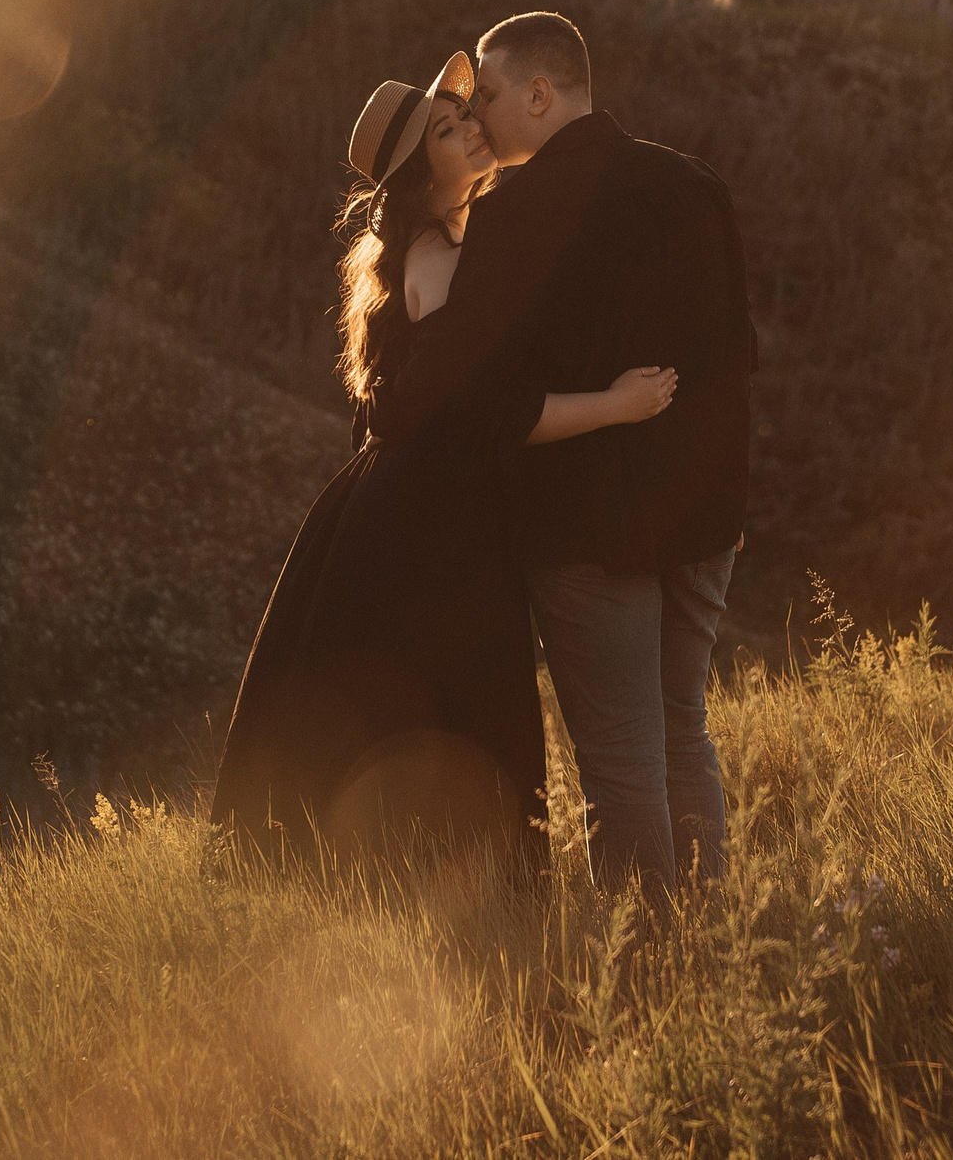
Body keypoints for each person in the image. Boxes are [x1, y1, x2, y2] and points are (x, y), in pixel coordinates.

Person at [209, 50, 679, 864]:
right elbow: (490, 416)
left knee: (432, 707)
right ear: (416, 169)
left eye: (465, 115)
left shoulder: (441, 245)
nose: (469, 129)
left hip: (410, 506)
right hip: (427, 521)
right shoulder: (445, 259)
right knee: (448, 705)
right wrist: (615, 405)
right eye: (446, 127)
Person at [372, 12, 756, 889]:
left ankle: (652, 963)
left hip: (584, 534)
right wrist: (729, 510)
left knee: (621, 763)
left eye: (494, 96)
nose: (479, 117)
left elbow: (485, 405)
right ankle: (709, 942)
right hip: (702, 517)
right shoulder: (697, 185)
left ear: (540, 95)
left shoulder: (511, 222)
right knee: (682, 730)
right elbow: (735, 366)